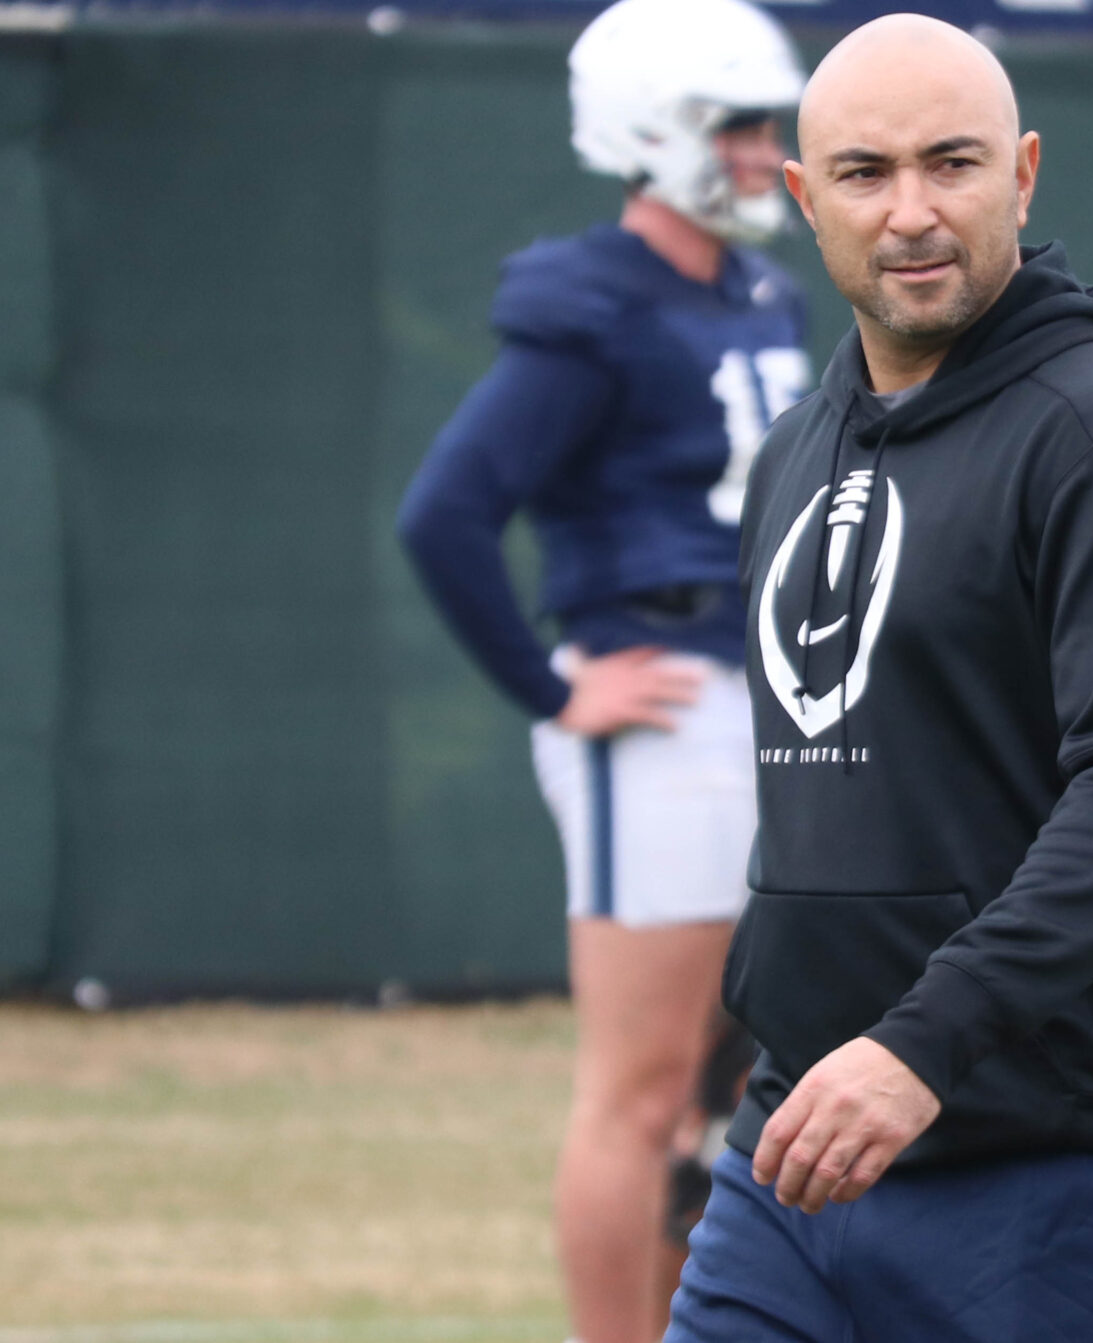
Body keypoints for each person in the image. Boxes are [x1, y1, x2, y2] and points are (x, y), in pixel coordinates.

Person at [661, 15, 1093, 1342]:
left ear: (1025, 176)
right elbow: (822, 817)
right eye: (866, 173)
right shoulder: (795, 455)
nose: (912, 212)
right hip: (800, 1155)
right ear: (807, 199)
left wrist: (920, 1044)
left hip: (1066, 1166)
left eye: (954, 164)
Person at [392, 0, 807, 1337]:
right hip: (663, 706)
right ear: (652, 132)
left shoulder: (759, 290)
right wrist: (559, 689)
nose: (762, 153)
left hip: (774, 697)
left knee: (731, 1081)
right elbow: (445, 511)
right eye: (735, 126)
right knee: (636, 1091)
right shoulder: (591, 302)